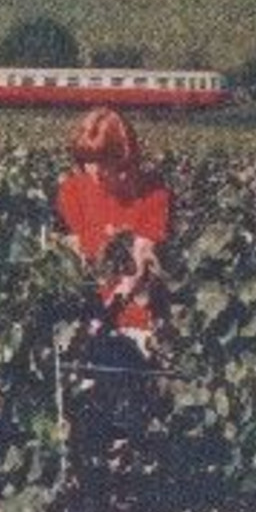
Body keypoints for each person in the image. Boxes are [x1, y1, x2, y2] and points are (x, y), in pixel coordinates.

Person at [54, 107, 172, 360]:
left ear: (122, 159)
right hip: (84, 319)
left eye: (101, 163)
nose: (92, 171)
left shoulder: (154, 193)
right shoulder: (71, 191)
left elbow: (139, 266)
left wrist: (103, 318)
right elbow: (72, 257)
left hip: (133, 320)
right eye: (86, 162)